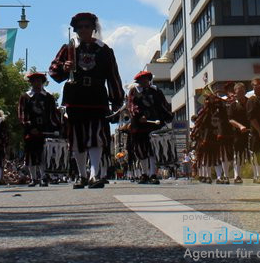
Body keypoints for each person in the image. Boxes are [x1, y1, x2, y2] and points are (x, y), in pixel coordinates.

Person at [49, 12, 124, 189]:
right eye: (80, 27)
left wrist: (116, 98)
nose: (84, 30)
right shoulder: (69, 48)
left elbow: (113, 75)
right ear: (75, 29)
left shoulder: (104, 49)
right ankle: (81, 175)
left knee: (96, 135)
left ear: (93, 28)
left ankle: (93, 174)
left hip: (96, 96)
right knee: (77, 137)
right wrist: (63, 68)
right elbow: (53, 70)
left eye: (87, 26)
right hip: (75, 96)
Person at [126, 70, 173, 185]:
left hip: (154, 125)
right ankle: (144, 173)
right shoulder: (134, 91)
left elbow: (163, 105)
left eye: (147, 79)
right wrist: (138, 115)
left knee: (153, 150)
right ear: (138, 81)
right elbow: (131, 105)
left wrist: (168, 116)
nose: (145, 81)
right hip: (139, 126)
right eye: (142, 80)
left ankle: (153, 174)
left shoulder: (156, 91)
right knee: (141, 150)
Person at [17, 71, 58, 187]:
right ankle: (34, 178)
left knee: (44, 154)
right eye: (35, 81)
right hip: (31, 131)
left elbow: (53, 114)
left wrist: (55, 127)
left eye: (39, 81)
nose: (37, 84)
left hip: (45, 130)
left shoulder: (48, 97)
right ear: (31, 83)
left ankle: (44, 176)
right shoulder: (25, 97)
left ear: (42, 82)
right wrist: (29, 126)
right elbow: (22, 113)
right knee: (30, 155)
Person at [226, 83, 251, 184]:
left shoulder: (250, 102)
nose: (241, 93)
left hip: (251, 131)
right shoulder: (233, 105)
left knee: (253, 153)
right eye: (239, 91)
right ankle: (237, 175)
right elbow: (230, 119)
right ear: (235, 92)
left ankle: (257, 175)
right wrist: (240, 126)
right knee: (238, 154)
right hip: (238, 133)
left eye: (242, 91)